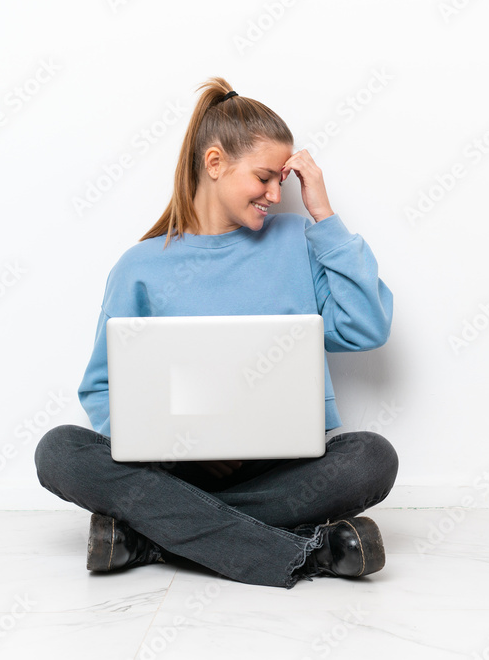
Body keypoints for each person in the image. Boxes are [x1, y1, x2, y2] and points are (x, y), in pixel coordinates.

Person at [34, 77, 398, 589]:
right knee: (58, 450)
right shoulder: (141, 267)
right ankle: (305, 552)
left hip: (281, 470)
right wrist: (180, 448)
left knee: (372, 459)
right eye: (265, 178)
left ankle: (151, 537)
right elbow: (102, 388)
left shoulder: (300, 241)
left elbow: (366, 328)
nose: (276, 195)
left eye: (282, 182)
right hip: (177, 471)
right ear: (214, 163)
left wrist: (324, 215)